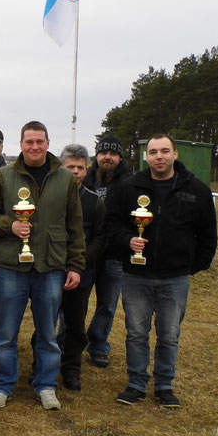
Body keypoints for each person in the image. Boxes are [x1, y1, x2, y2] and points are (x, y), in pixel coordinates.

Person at [0, 121, 85, 411]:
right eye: (29, 142)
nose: (34, 147)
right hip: (11, 265)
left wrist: (75, 264)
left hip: (51, 266)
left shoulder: (65, 178)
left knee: (48, 333)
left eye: (39, 141)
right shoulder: (4, 176)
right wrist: (10, 225)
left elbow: (75, 225)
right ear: (21, 144)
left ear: (48, 143)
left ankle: (46, 384)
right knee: (6, 332)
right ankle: (2, 385)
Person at [107, 134, 217, 408]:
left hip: (175, 277)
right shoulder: (130, 187)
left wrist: (193, 265)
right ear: (146, 156)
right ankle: (136, 384)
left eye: (165, 151)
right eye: (154, 151)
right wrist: (126, 241)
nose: (159, 156)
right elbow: (111, 224)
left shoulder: (197, 190)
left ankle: (165, 386)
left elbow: (207, 233)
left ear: (175, 154)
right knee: (136, 332)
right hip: (136, 275)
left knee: (169, 334)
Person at [55, 144, 106, 391]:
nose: (75, 171)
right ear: (61, 167)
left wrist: (79, 264)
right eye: (70, 167)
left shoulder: (95, 202)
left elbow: (99, 239)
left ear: (86, 171)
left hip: (80, 276)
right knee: (45, 324)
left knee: (75, 326)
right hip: (50, 272)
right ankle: (42, 365)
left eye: (80, 167)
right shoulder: (48, 198)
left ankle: (71, 369)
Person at [82, 133, 134, 368]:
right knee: (74, 302)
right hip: (85, 252)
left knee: (108, 304)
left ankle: (98, 344)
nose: (108, 157)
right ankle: (67, 341)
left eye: (113, 153)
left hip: (114, 254)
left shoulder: (130, 183)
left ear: (120, 158)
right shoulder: (84, 178)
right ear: (97, 155)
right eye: (104, 152)